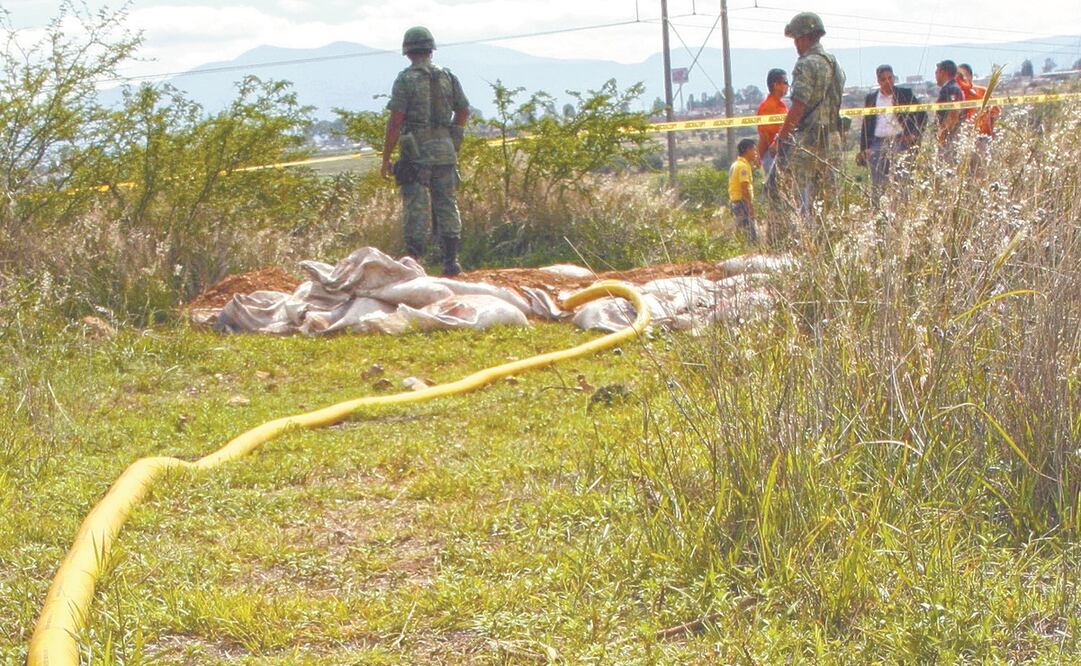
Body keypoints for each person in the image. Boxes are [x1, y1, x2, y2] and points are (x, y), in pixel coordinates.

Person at [381, 26, 470, 276]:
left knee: (416, 206)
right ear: (431, 50)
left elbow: (396, 120)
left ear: (408, 52)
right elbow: (463, 111)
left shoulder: (405, 79)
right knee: (447, 202)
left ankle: (414, 262)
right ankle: (451, 261)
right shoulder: (448, 76)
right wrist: (453, 138)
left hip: (416, 151)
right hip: (445, 149)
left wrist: (386, 157)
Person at [771, 11, 846, 220]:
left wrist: (781, 138)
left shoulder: (806, 64)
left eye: (796, 39)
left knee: (785, 192)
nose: (796, 45)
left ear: (803, 38)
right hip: (832, 139)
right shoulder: (834, 63)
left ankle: (789, 241)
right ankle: (828, 245)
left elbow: (798, 106)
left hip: (809, 142)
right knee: (828, 201)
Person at [858, 64, 922, 201]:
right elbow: (866, 124)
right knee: (878, 183)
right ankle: (878, 214)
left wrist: (914, 134)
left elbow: (922, 115)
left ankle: (902, 212)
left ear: (894, 78)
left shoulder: (905, 95)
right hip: (877, 143)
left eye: (890, 78)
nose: (888, 82)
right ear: (878, 81)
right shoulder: (871, 99)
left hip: (900, 142)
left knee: (902, 182)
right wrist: (865, 148)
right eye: (883, 79)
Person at [756, 68, 788, 182]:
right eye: (785, 82)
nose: (787, 86)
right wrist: (758, 159)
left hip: (783, 154)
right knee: (776, 192)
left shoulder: (781, 105)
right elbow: (765, 136)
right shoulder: (768, 107)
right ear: (776, 85)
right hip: (771, 155)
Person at [728, 138, 759, 243]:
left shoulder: (736, 164)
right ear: (747, 150)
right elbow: (744, 188)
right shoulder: (743, 166)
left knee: (741, 233)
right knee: (750, 235)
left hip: (735, 202)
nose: (755, 153)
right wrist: (750, 206)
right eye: (754, 150)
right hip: (742, 203)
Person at [934, 59, 965, 162]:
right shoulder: (949, 88)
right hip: (948, 137)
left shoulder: (951, 89)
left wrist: (943, 133)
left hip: (950, 138)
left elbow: (954, 112)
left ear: (943, 73)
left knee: (948, 166)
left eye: (937, 72)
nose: (935, 75)